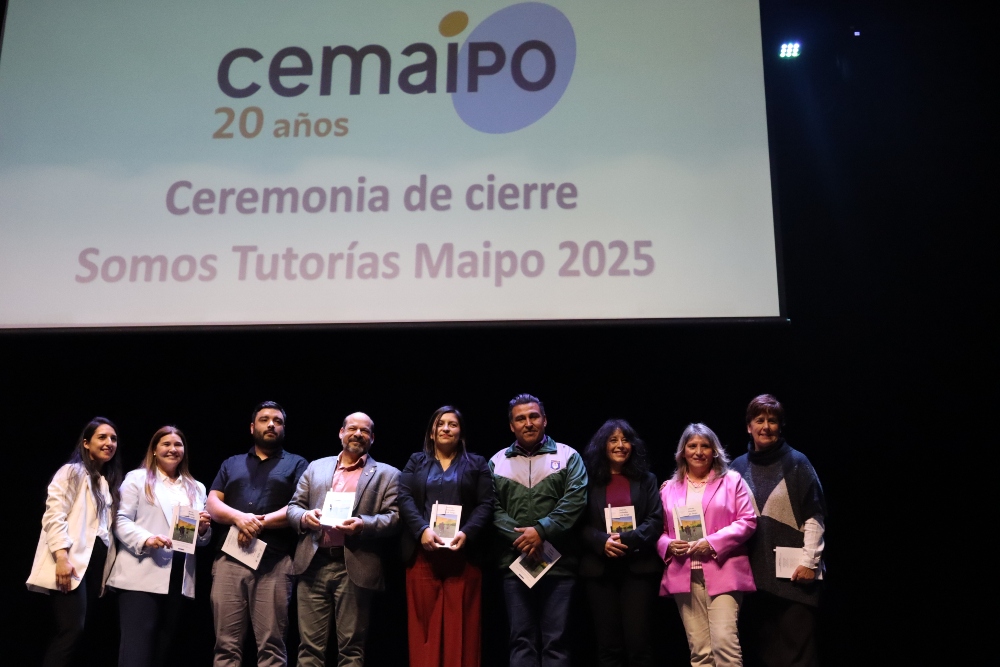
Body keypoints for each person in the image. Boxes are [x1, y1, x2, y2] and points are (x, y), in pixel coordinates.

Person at [287, 411, 401, 667]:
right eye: (352, 428)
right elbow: (293, 507)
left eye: (364, 431)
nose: (357, 434)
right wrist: (305, 517)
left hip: (354, 567)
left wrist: (364, 524)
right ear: (341, 433)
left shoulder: (388, 474)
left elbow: (395, 518)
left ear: (372, 438)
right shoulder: (316, 467)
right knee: (308, 648)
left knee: (351, 649)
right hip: (313, 564)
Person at [206, 401, 308, 667]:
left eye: (277, 421)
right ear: (252, 427)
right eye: (264, 419)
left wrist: (257, 524)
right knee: (225, 646)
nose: (271, 424)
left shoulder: (297, 464)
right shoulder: (232, 463)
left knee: (272, 646)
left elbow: (299, 506)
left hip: (275, 562)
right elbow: (213, 503)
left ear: (284, 428)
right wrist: (239, 518)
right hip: (230, 560)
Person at [489, 394, 587, 667]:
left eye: (534, 416)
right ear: (512, 426)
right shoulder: (497, 461)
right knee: (521, 641)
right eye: (520, 419)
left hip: (559, 564)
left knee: (557, 642)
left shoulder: (568, 456)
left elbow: (575, 501)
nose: (528, 423)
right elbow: (492, 508)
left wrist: (541, 531)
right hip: (515, 564)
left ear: (545, 420)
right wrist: (524, 538)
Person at [730, 395, 826, 667]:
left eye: (772, 421)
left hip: (794, 578)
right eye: (759, 420)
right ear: (748, 426)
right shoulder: (736, 468)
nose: (766, 427)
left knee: (797, 656)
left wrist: (810, 562)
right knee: (764, 655)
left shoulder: (797, 463)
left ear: (780, 426)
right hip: (753, 579)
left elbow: (815, 516)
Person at [107, 426, 213, 667]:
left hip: (177, 578)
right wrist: (146, 539)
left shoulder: (195, 487)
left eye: (178, 445)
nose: (172, 449)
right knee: (136, 653)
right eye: (166, 444)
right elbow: (120, 520)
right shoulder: (138, 479)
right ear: (154, 450)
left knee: (161, 653)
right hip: (141, 575)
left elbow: (196, 538)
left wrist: (203, 529)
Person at [397, 406, 495, 667]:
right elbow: (404, 498)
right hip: (423, 553)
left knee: (461, 628)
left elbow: (486, 503)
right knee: (424, 629)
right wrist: (422, 530)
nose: (446, 429)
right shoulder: (415, 461)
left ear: (460, 432)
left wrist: (467, 532)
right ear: (431, 432)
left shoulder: (477, 463)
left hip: (463, 554)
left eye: (452, 424)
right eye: (440, 424)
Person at [27, 417, 124, 667]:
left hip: (94, 562)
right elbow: (54, 515)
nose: (109, 443)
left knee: (81, 633)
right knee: (71, 630)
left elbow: (104, 531)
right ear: (86, 443)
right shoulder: (72, 472)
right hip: (71, 560)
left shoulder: (106, 482)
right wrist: (61, 557)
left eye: (113, 438)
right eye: (102, 437)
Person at [658, 423, 756, 667]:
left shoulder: (731, 481)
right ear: (683, 451)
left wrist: (711, 543)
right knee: (700, 652)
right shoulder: (668, 488)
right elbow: (660, 531)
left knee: (725, 645)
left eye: (705, 446)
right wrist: (668, 545)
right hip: (684, 574)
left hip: (724, 570)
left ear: (714, 451)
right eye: (692, 446)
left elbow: (748, 520)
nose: (699, 451)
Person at [579, 419, 663, 667]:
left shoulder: (647, 479)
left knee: (639, 644)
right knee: (608, 646)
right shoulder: (587, 481)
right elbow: (577, 523)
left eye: (625, 440)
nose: (620, 445)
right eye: (613, 440)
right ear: (602, 446)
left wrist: (625, 539)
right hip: (599, 570)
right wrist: (602, 542)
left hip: (638, 569)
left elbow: (655, 520)